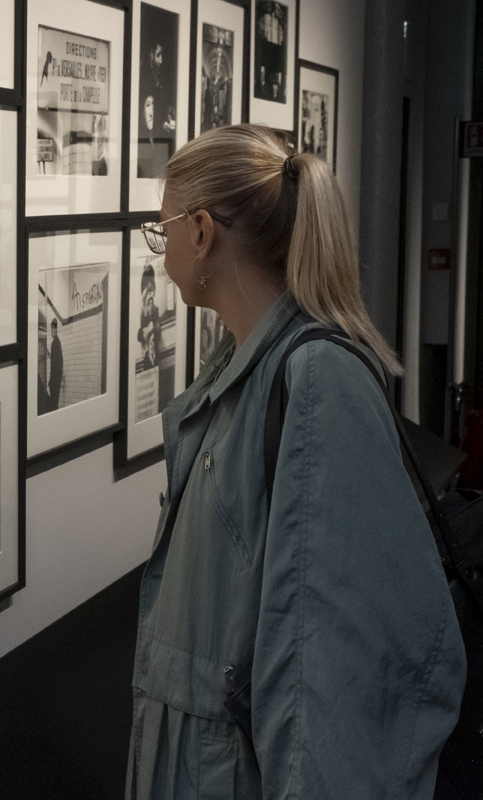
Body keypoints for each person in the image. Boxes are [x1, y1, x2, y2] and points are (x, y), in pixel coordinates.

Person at [126, 123, 466, 799]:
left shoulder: (312, 385)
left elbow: (333, 689)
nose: (159, 245)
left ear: (201, 233)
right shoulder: (243, 375)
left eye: (160, 225)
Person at [47, 318, 64, 411]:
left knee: (53, 405)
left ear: (56, 329)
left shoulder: (55, 343)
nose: (51, 331)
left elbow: (59, 363)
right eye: (51, 328)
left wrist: (54, 380)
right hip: (55, 381)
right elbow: (56, 361)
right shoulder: (57, 342)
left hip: (55, 381)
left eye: (53, 328)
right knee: (54, 404)